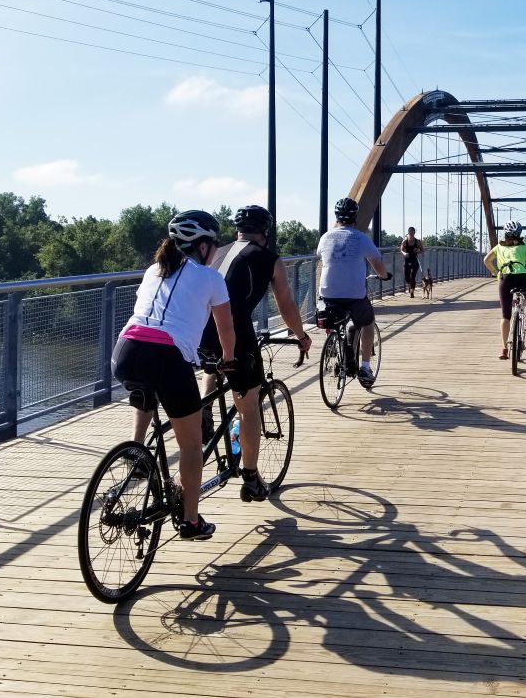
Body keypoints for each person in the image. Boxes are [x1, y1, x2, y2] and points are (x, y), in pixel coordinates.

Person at [111, 210, 234, 540]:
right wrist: (228, 360)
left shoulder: (155, 268)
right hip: (166, 357)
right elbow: (226, 329)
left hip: (125, 351)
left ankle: (135, 453)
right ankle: (190, 521)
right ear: (204, 246)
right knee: (192, 446)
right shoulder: (211, 278)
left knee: (147, 390)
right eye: (215, 245)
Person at [200, 204, 313, 501]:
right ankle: (250, 477)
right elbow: (286, 306)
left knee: (212, 363)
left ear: (237, 231)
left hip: (195, 330)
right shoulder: (269, 259)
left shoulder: (215, 252)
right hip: (235, 334)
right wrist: (301, 336)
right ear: (265, 233)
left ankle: (205, 409)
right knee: (248, 406)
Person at [315, 197, 392, 389]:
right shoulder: (361, 238)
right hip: (354, 296)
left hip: (327, 294)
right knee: (368, 323)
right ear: (355, 217)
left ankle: (333, 344)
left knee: (331, 315)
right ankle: (365, 368)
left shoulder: (325, 237)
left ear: (337, 217)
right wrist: (384, 276)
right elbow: (378, 264)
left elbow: (322, 260)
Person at [483, 221, 526, 360]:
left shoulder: (499, 247)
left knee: (505, 316)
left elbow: (486, 260)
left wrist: (495, 272)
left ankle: (504, 349)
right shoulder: (524, 247)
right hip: (522, 277)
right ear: (519, 233)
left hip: (505, 279)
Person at [400, 226, 423, 298]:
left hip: (415, 261)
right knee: (407, 278)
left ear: (414, 232)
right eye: (409, 232)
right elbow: (401, 250)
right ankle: (410, 286)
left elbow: (422, 250)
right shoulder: (405, 242)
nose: (411, 233)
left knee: (412, 277)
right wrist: (404, 253)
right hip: (407, 261)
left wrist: (418, 251)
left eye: (412, 232)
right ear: (408, 232)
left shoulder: (418, 241)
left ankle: (412, 292)